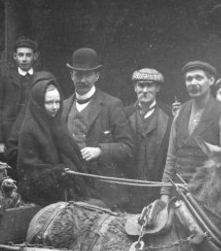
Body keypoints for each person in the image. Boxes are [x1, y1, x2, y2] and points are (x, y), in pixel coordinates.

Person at [61, 47, 135, 209]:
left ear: (97, 76)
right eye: (78, 75)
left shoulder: (112, 105)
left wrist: (100, 151)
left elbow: (128, 148)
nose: (82, 80)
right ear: (71, 76)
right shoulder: (63, 107)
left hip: (104, 194)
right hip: (71, 191)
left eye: (87, 75)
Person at [160, 61, 221, 202]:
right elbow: (171, 158)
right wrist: (165, 194)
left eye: (198, 77)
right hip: (178, 194)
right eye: (189, 79)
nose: (193, 82)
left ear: (211, 80)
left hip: (209, 199)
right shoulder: (180, 113)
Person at [17, 73, 88, 205]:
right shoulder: (29, 130)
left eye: (57, 102)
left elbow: (73, 157)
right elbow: (30, 173)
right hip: (42, 198)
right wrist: (57, 173)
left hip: (66, 193)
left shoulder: (58, 125)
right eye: (49, 102)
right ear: (38, 103)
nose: (55, 107)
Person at [124, 68, 172, 212]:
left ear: (157, 88)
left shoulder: (170, 116)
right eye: (141, 85)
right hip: (129, 194)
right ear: (134, 88)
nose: (144, 90)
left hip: (157, 195)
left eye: (149, 86)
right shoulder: (124, 114)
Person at [0, 37, 40, 172]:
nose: (24, 59)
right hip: (9, 136)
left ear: (35, 56)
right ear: (15, 56)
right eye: (21, 55)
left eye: (28, 55)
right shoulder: (5, 79)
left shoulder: (40, 79)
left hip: (32, 135)